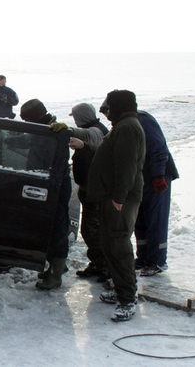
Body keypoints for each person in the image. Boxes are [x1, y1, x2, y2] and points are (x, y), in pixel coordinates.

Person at [71, 90, 145, 322]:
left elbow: (126, 166)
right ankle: (120, 288)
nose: (106, 111)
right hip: (112, 197)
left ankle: (127, 299)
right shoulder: (123, 126)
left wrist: (119, 197)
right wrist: (85, 147)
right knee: (110, 244)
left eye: (109, 107)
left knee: (118, 245)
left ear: (119, 107)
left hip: (119, 200)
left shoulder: (127, 128)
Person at [19, 99, 72, 290]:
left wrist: (46, 187)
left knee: (57, 228)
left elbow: (55, 163)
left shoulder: (56, 133)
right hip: (49, 185)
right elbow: (31, 142)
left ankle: (56, 274)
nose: (25, 123)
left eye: (26, 120)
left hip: (53, 187)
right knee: (50, 227)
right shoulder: (45, 129)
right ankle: (54, 267)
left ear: (34, 117)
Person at [67, 103, 110, 282]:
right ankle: (98, 264)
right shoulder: (96, 130)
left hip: (96, 191)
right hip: (89, 189)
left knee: (93, 230)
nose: (75, 120)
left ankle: (104, 266)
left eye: (75, 117)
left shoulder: (96, 132)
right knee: (92, 230)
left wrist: (70, 133)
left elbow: (86, 136)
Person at [134, 110, 179, 276]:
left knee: (155, 219)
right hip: (142, 177)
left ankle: (157, 262)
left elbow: (158, 149)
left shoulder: (142, 120)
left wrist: (159, 175)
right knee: (141, 219)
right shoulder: (125, 122)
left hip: (156, 177)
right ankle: (144, 258)